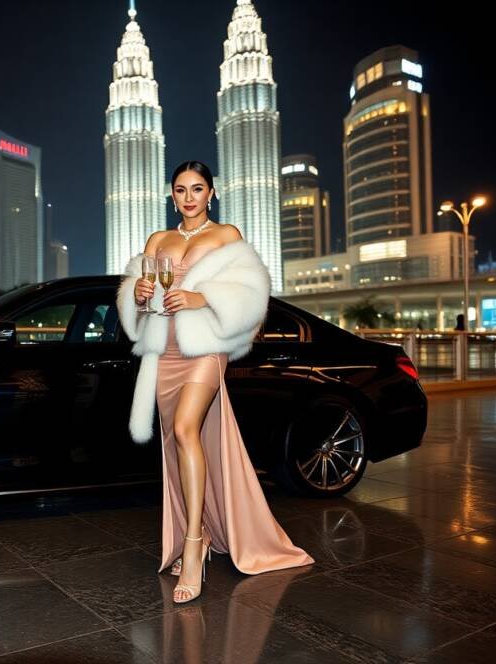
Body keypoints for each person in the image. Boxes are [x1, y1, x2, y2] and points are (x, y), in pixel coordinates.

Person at [116, 160, 314, 604]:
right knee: (177, 442)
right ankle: (200, 533)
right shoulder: (157, 240)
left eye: (198, 188)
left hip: (205, 347)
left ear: (212, 193)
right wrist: (138, 296)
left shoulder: (227, 235)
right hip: (163, 351)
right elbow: (141, 304)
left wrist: (201, 296)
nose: (189, 197)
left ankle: (193, 546)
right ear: (172, 196)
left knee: (186, 428)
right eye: (181, 190)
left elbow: (251, 295)